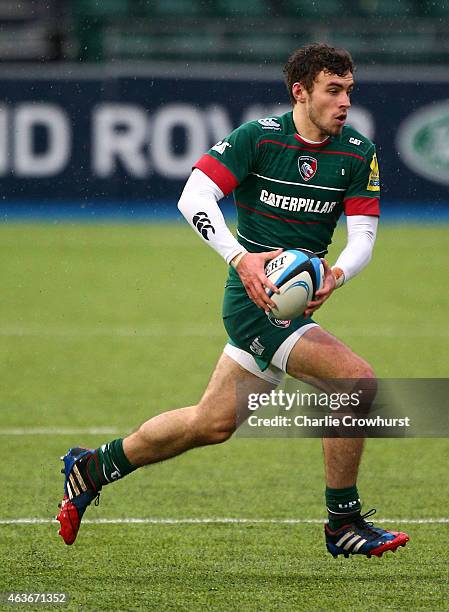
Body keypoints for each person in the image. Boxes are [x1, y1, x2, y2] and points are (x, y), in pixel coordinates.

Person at [56, 43, 409, 558]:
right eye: (333, 91)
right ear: (300, 92)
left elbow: (364, 237)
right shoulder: (258, 139)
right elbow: (192, 197)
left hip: (293, 299)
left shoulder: (357, 151)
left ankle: (92, 467)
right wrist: (239, 257)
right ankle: (343, 522)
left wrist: (337, 273)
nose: (344, 102)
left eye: (349, 91)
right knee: (354, 382)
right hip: (255, 303)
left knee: (211, 422)